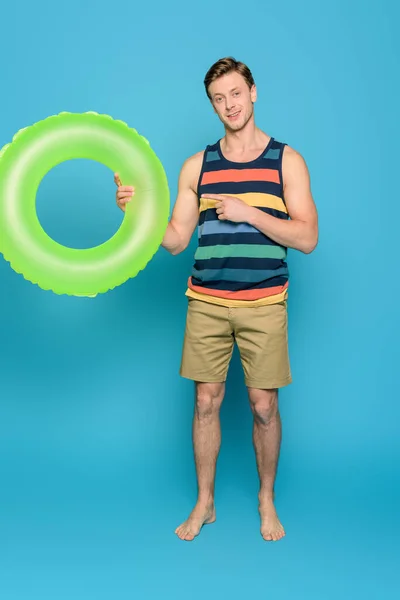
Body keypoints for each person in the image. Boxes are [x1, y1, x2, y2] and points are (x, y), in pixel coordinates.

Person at [114, 57, 318, 542]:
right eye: (218, 98)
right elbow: (176, 239)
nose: (229, 105)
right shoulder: (198, 166)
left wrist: (249, 212)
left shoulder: (286, 160)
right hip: (205, 300)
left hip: (265, 302)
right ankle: (205, 502)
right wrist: (137, 210)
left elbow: (307, 237)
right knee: (206, 402)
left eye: (235, 93)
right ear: (212, 104)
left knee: (263, 405)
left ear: (253, 92)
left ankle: (266, 499)